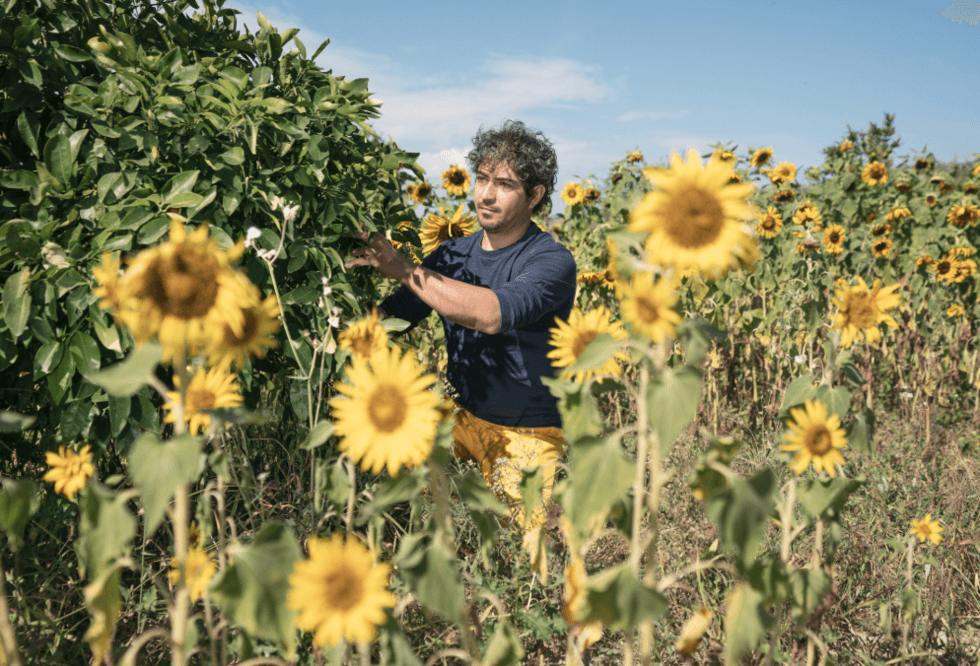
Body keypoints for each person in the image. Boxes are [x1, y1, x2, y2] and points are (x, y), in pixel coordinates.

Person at [344, 119, 577, 527]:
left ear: (535, 195)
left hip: (527, 434)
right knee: (414, 521)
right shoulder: (451, 255)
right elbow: (395, 315)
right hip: (458, 420)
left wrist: (402, 268)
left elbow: (491, 314)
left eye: (504, 185)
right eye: (482, 178)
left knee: (521, 559)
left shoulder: (551, 261)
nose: (485, 195)